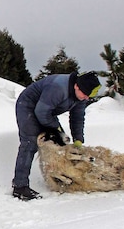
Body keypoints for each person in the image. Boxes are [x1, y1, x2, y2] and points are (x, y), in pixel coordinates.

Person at [11, 71, 101, 201]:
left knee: (62, 142)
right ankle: (20, 187)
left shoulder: (81, 95)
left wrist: (78, 139)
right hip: (28, 106)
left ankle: (62, 176)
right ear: (76, 86)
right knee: (30, 142)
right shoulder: (58, 87)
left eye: (89, 96)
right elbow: (41, 113)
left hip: (46, 110)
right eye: (85, 94)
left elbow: (77, 118)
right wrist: (57, 129)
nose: (87, 98)